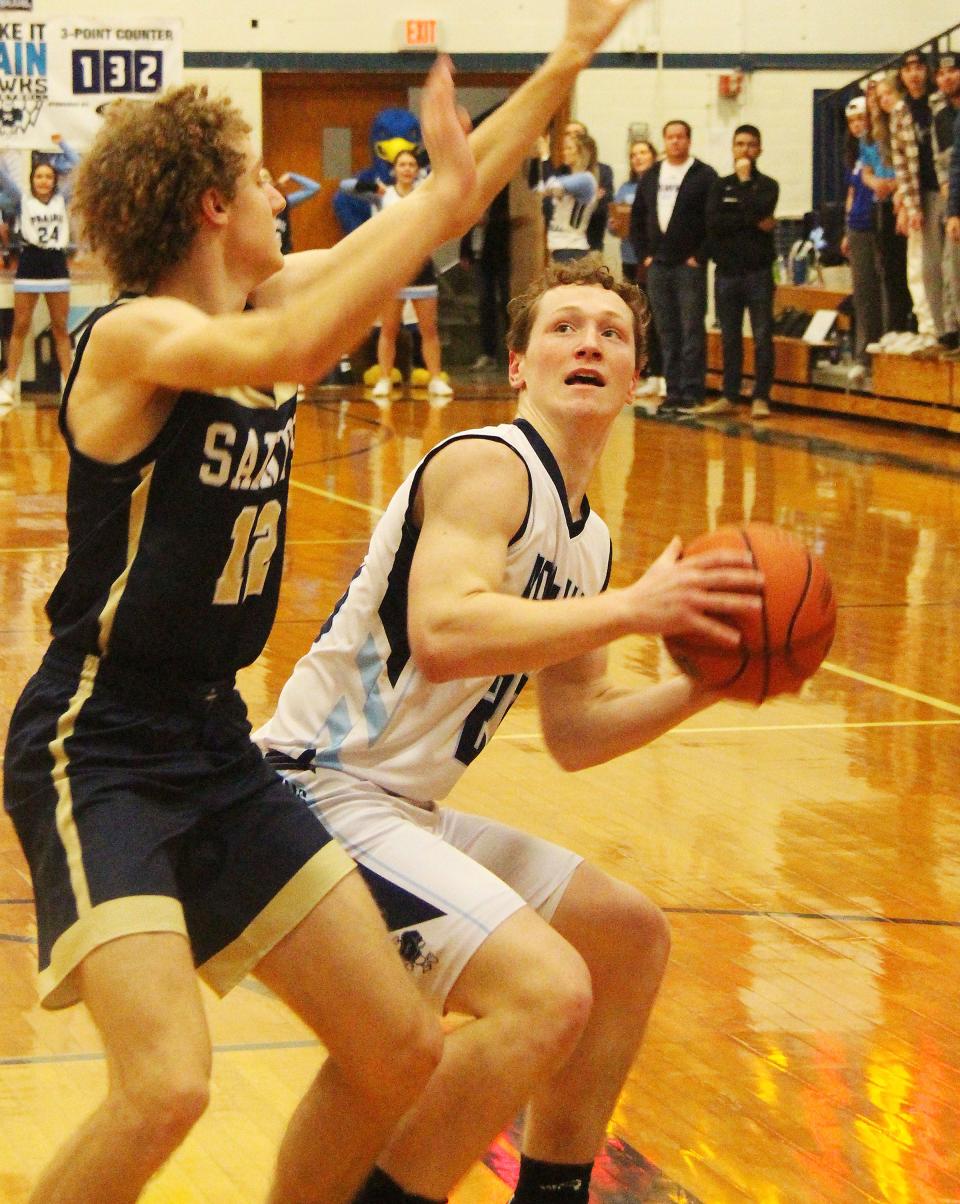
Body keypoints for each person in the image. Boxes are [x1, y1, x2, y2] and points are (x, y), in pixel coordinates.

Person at [2, 1, 647, 1198]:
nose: (280, 195)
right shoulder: (136, 336)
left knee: (397, 1045)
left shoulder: (261, 300)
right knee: (167, 1084)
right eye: (257, 179)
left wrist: (564, 61)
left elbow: (439, 209)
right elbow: (303, 341)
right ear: (210, 206)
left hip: (215, 739)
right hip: (101, 747)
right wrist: (430, 207)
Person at [255, 256, 765, 1204]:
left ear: (635, 380)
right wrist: (634, 610)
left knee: (626, 939)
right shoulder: (487, 465)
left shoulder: (591, 537)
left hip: (400, 808)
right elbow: (444, 634)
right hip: (313, 792)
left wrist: (708, 687)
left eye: (612, 334)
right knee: (546, 991)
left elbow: (576, 731)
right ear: (521, 367)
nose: (590, 343)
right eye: (565, 327)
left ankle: (554, 1193)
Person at [341, 149, 453, 402]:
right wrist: (374, 186)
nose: (407, 169)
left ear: (416, 169)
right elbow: (345, 186)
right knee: (389, 329)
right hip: (392, 269)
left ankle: (435, 377)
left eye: (411, 164)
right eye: (402, 164)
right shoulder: (384, 195)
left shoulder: (425, 192)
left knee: (429, 329)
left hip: (422, 267)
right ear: (394, 169)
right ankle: (384, 378)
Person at [629, 119, 717, 413]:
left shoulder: (704, 175)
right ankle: (673, 388)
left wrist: (700, 256)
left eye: (680, 137)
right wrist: (645, 254)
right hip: (659, 265)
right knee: (666, 330)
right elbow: (637, 218)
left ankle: (692, 390)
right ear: (664, 141)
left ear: (689, 140)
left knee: (691, 328)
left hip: (688, 265)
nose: (675, 142)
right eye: (670, 137)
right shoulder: (652, 174)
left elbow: (713, 221)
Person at [698, 124, 779, 419]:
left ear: (759, 149)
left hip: (758, 272)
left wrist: (745, 185)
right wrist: (752, 218)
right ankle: (729, 395)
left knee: (761, 336)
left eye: (751, 144)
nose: (745, 150)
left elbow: (760, 209)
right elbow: (714, 224)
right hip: (727, 273)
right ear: (732, 148)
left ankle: (761, 397)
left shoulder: (768, 185)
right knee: (729, 336)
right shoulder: (719, 185)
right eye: (740, 144)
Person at [0, 136, 80, 410]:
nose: (44, 181)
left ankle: (68, 383)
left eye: (48, 176)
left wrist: (63, 144)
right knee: (20, 326)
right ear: (32, 180)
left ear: (54, 180)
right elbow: (2, 175)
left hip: (56, 265)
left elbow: (79, 167)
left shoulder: (62, 198)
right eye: (39, 176)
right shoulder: (21, 199)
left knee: (60, 328)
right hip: (30, 264)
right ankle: (9, 383)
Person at [889, 48, 945, 348]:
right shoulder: (900, 111)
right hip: (921, 194)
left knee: (951, 264)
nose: (914, 73)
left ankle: (950, 325)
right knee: (928, 266)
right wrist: (911, 206)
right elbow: (900, 162)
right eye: (908, 68)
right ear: (902, 75)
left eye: (919, 67)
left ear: (928, 71)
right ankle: (935, 328)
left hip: (946, 189)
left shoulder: (941, 103)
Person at [609, 138, 664, 400]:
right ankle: (643, 371)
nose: (638, 158)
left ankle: (660, 374)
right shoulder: (626, 187)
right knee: (637, 317)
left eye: (643, 152)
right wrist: (615, 222)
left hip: (651, 259)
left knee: (657, 316)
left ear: (653, 156)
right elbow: (615, 226)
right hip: (629, 256)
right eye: (633, 154)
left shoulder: (657, 184)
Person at [862, 73, 913, 337]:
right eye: (875, 96)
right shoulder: (874, 131)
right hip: (883, 203)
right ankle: (895, 328)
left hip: (905, 198)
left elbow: (908, 167)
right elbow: (865, 170)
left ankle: (912, 326)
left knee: (909, 268)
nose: (879, 101)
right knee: (890, 270)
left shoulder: (905, 120)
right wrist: (874, 182)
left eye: (884, 95)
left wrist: (896, 188)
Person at [840, 99, 884, 384]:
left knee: (881, 293)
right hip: (857, 228)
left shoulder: (880, 149)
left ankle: (876, 356)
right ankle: (861, 356)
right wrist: (845, 231)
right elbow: (852, 194)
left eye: (862, 119)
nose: (858, 125)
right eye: (853, 121)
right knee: (862, 294)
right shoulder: (855, 156)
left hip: (877, 225)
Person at [529, 127, 600, 262]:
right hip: (560, 249)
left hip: (572, 249)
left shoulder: (586, 179)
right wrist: (535, 157)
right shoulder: (566, 179)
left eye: (569, 148)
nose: (564, 152)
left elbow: (551, 184)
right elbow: (537, 188)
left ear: (582, 153)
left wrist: (545, 155)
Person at [565, 119, 614, 254]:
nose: (572, 137)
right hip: (561, 243)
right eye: (567, 133)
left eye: (577, 133)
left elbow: (604, 205)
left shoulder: (603, 171)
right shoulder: (558, 171)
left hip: (592, 240)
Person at [273, 168, 321, 254]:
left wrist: (291, 175)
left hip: (285, 256)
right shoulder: (251, 209)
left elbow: (314, 188)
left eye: (266, 180)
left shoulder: (282, 203)